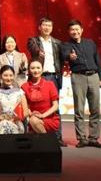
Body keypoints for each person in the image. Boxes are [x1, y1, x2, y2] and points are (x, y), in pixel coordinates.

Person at [62, 19, 101, 148]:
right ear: (69, 32)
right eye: (72, 30)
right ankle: (82, 138)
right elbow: (65, 55)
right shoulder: (66, 45)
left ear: (81, 30)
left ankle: (93, 138)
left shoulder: (90, 43)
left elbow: (97, 60)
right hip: (78, 77)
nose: (75, 32)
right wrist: (70, 57)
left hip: (94, 76)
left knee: (95, 109)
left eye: (77, 29)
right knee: (79, 109)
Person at [27, 17, 65, 146]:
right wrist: (39, 52)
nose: (47, 28)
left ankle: (58, 138)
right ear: (39, 27)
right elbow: (33, 49)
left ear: (52, 28)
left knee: (55, 107)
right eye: (44, 25)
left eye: (49, 25)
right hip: (40, 76)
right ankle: (39, 133)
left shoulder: (57, 43)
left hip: (54, 77)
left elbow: (61, 59)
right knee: (38, 106)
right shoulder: (33, 41)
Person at [22, 60, 60, 136]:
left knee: (34, 122)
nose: (36, 71)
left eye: (38, 68)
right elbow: (26, 107)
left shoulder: (50, 84)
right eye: (33, 68)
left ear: (42, 70)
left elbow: (55, 106)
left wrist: (43, 115)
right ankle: (46, 140)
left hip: (49, 118)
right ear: (29, 70)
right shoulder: (24, 86)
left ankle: (46, 140)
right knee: (33, 122)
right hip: (33, 117)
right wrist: (31, 114)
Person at [0, 65, 29, 134]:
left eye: (11, 75)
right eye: (5, 75)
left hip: (16, 123)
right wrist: (2, 119)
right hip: (2, 123)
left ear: (14, 76)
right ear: (0, 76)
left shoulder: (20, 92)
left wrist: (14, 119)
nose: (8, 78)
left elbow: (26, 112)